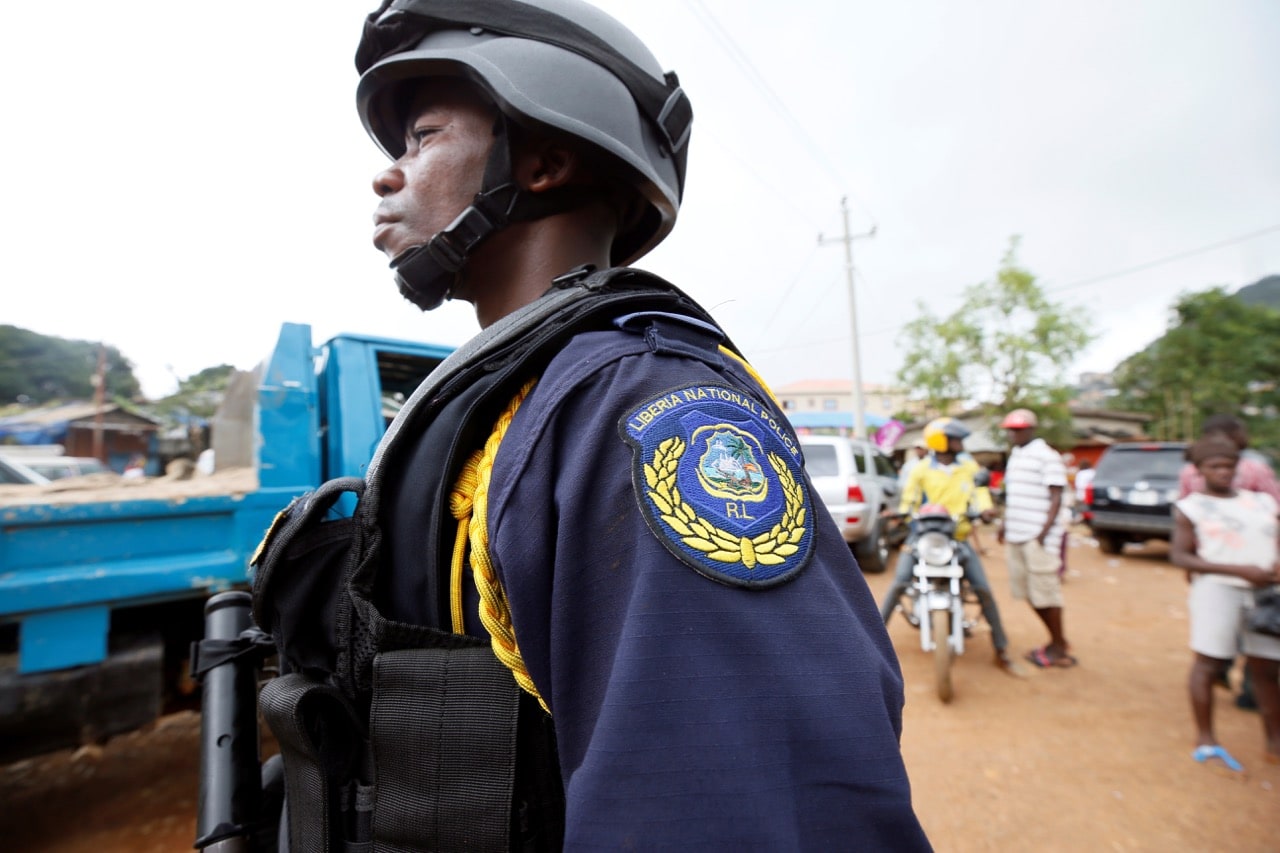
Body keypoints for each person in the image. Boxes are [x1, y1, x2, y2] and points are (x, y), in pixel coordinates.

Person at [255, 2, 932, 849]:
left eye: (422, 138)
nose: (386, 175)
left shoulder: (641, 406)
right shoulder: (526, 399)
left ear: (543, 160)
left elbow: (751, 802)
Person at [880, 417, 1025, 677]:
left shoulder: (968, 467)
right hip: (923, 537)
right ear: (942, 441)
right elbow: (909, 498)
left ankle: (1001, 650)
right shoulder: (921, 468)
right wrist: (902, 514)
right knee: (899, 582)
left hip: (956, 538)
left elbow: (979, 494)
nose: (961, 443)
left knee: (983, 589)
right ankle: (873, 642)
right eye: (956, 438)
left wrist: (986, 510)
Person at [1169, 436, 1280, 772]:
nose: (1222, 472)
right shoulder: (1191, 507)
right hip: (1217, 590)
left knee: (1266, 669)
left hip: (1265, 594)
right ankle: (1206, 737)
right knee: (1208, 663)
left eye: (1228, 466)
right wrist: (1239, 570)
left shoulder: (1261, 501)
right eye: (1214, 466)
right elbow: (1181, 556)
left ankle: (1274, 739)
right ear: (1199, 469)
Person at [998, 408, 1074, 668]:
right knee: (1029, 593)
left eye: (1017, 429)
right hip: (1017, 535)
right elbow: (1015, 496)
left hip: (1037, 538)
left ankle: (1059, 646)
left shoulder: (1047, 456)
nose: (1012, 434)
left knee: (1046, 594)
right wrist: (1005, 523)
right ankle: (1057, 640)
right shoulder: (1016, 456)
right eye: (1010, 429)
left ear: (1031, 429)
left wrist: (1042, 534)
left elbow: (1057, 496)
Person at [1178, 414, 1280, 503]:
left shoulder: (1188, 471)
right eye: (1242, 432)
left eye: (1229, 467)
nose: (1223, 472)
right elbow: (1276, 503)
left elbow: (1182, 505)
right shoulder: (1255, 469)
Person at [1072, 459, 1094, 523]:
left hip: (1081, 496)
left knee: (1079, 511)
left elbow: (1079, 485)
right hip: (1091, 496)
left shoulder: (1080, 473)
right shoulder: (1093, 472)